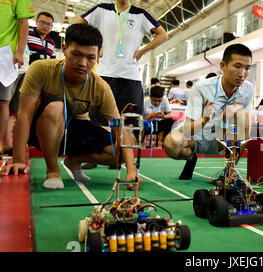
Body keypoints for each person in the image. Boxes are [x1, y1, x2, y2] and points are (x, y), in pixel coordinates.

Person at [0, 23, 140, 190]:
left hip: (72, 132)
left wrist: (132, 171)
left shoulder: (100, 87)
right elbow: (24, 115)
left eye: (90, 58)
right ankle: (52, 171)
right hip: (41, 130)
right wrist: (19, 160)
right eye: (76, 54)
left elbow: (118, 127)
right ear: (65, 49)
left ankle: (74, 160)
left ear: (98, 57)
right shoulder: (41, 69)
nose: (82, 63)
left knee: (124, 145)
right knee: (56, 107)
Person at [163, 44, 254, 180]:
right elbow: (188, 130)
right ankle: (191, 157)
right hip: (196, 137)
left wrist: (237, 107)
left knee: (243, 117)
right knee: (171, 143)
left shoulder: (248, 89)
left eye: (247, 68)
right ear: (223, 66)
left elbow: (247, 129)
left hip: (222, 137)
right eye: (237, 66)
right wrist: (205, 119)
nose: (242, 74)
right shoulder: (201, 89)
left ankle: (229, 173)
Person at [74, 0, 168, 116]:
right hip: (105, 75)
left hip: (130, 77)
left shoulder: (141, 14)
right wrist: (96, 46)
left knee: (131, 123)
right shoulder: (101, 10)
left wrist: (142, 51)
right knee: (99, 120)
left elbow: (163, 35)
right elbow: (76, 25)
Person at [0, 0, 35, 156]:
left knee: (5, 104)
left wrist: (19, 52)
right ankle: (6, 144)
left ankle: (6, 145)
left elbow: (23, 22)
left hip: (6, 57)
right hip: (12, 61)